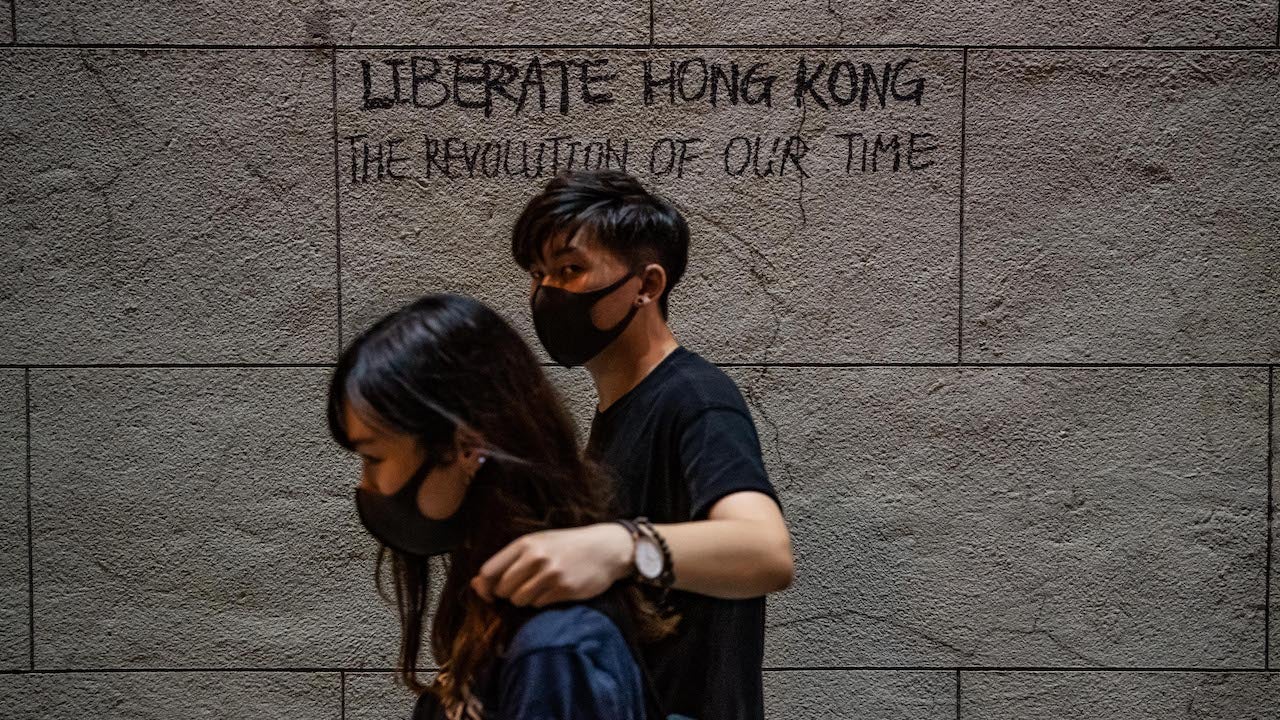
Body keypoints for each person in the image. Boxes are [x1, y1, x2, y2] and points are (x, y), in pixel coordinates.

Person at [470, 170, 796, 720]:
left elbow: (766, 551)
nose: (546, 293)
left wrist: (620, 547)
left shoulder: (696, 398)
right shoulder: (616, 411)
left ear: (647, 285)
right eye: (538, 274)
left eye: (570, 270)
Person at [327, 293, 678, 720]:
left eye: (373, 458)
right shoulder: (495, 591)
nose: (365, 484)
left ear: (467, 447)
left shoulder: (553, 650)